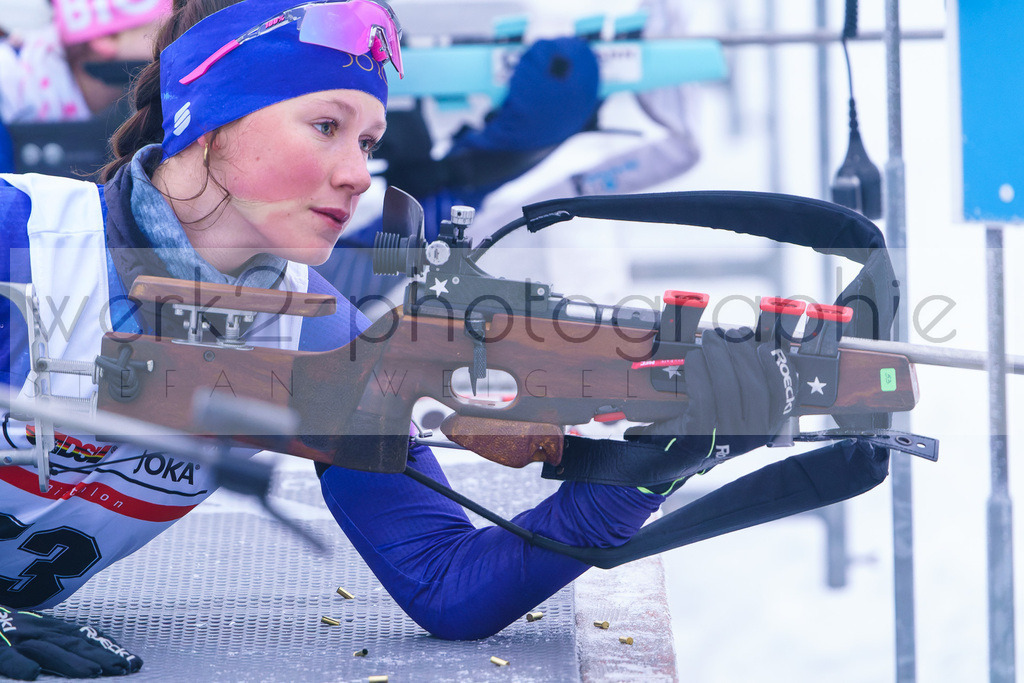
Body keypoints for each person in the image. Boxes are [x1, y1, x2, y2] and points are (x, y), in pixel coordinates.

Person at [0, 0, 888, 679]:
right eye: (326, 126)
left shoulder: (312, 335)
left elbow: (447, 582)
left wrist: (645, 468)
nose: (359, 172)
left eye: (371, 138)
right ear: (209, 116)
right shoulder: (23, 238)